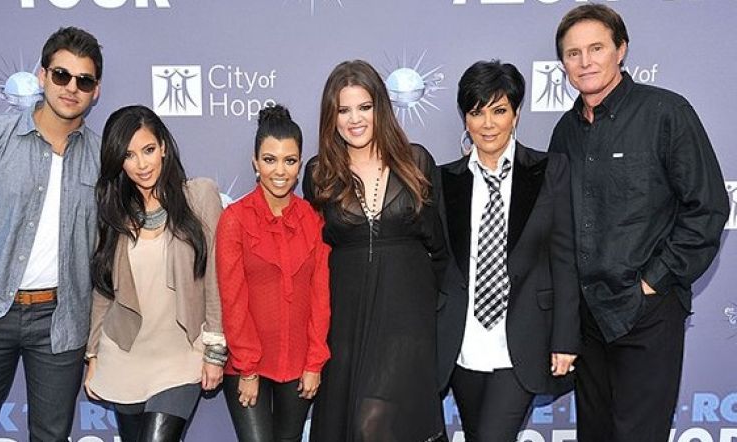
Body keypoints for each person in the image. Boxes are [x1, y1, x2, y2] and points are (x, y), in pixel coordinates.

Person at [549, 5, 729, 441]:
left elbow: (707, 208)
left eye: (596, 48)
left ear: (621, 50)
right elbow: (560, 229)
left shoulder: (666, 113)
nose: (585, 61)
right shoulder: (565, 132)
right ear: (563, 64)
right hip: (588, 320)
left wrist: (652, 283)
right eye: (573, 53)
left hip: (646, 314)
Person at [0, 27, 103, 441]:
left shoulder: (102, 158)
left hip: (61, 320)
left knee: (51, 435)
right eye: (61, 75)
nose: (71, 88)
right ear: (42, 76)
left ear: (95, 91)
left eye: (84, 81)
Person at [303, 59, 447, 442]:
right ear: (331, 117)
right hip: (347, 320)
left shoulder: (416, 162)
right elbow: (317, 253)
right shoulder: (319, 174)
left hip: (406, 319)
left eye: (364, 107)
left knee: (374, 424)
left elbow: (439, 245)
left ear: (380, 107)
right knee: (354, 426)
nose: (355, 119)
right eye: (343, 110)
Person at [436, 60, 579, 442]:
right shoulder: (442, 180)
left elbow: (564, 260)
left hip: (522, 339)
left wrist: (565, 339)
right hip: (462, 342)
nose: (487, 124)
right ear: (465, 118)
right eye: (476, 112)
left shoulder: (550, 170)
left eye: (498, 111)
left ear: (516, 115)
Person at [84, 105, 225, 441]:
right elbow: (104, 290)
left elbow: (216, 279)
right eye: (129, 155)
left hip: (181, 356)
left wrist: (215, 351)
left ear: (163, 146)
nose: (142, 164)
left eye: (148, 150)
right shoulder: (114, 212)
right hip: (124, 356)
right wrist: (93, 354)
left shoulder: (199, 196)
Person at [216, 104, 331, 442]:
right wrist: (247, 368)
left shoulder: (314, 220)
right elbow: (232, 301)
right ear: (255, 162)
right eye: (270, 159)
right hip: (246, 365)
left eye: (289, 160)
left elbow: (320, 298)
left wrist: (314, 363)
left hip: (299, 364)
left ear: (300, 163)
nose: (280, 171)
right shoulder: (235, 220)